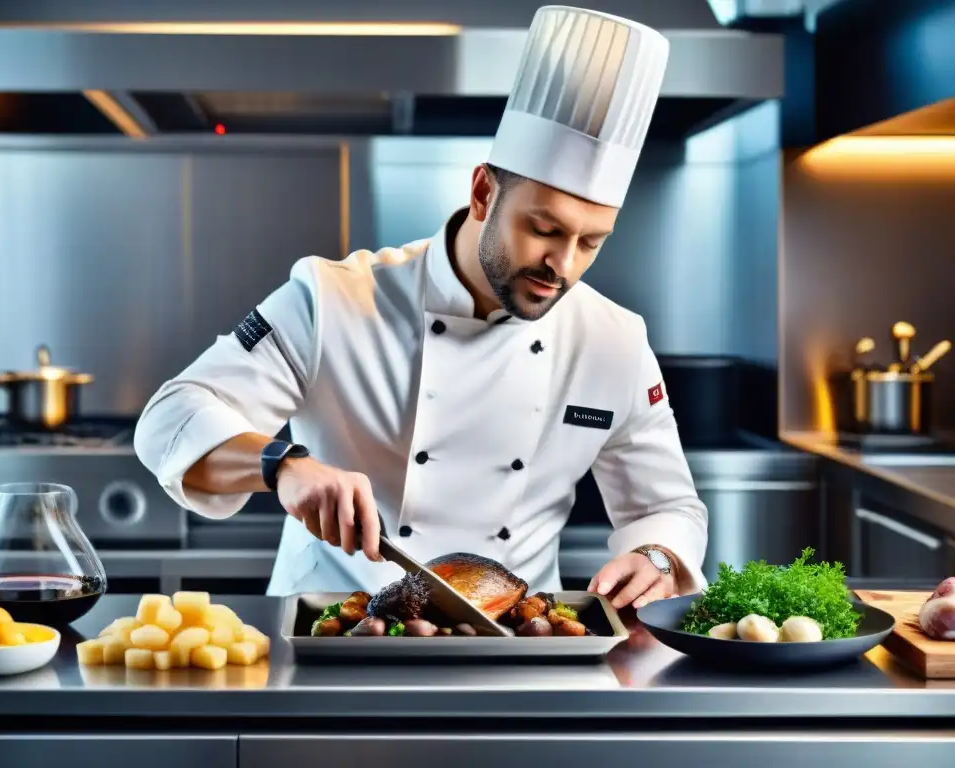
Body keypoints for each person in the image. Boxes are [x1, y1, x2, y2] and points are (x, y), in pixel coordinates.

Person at [134, 6, 709, 611]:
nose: (562, 266)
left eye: (591, 243)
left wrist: (656, 557)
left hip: (513, 649)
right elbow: (170, 417)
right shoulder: (333, 298)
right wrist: (283, 465)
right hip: (333, 641)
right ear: (484, 192)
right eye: (544, 230)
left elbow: (668, 507)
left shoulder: (613, 339)